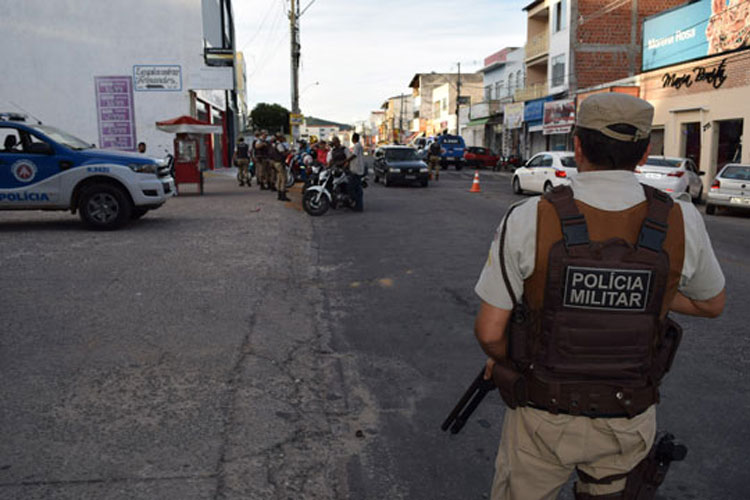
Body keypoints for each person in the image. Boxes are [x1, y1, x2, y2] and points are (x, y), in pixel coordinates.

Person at [473, 93, 726, 500]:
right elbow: (711, 303)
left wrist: (505, 360)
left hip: (543, 414)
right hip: (627, 417)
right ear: (644, 152)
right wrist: (648, 290)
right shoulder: (681, 218)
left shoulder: (529, 216)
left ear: (576, 145)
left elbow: (489, 331)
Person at [348, 132, 365, 212]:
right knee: (357, 189)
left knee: (354, 188)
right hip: (358, 169)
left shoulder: (357, 146)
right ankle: (358, 205)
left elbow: (354, 155)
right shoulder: (359, 145)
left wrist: (346, 161)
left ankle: (358, 205)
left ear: (353, 139)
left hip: (356, 170)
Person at [270, 133, 290, 201]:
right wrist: (289, 152)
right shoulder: (279, 145)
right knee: (284, 179)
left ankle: (279, 194)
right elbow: (283, 153)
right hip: (279, 163)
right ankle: (282, 194)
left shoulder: (274, 144)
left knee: (279, 178)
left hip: (275, 162)